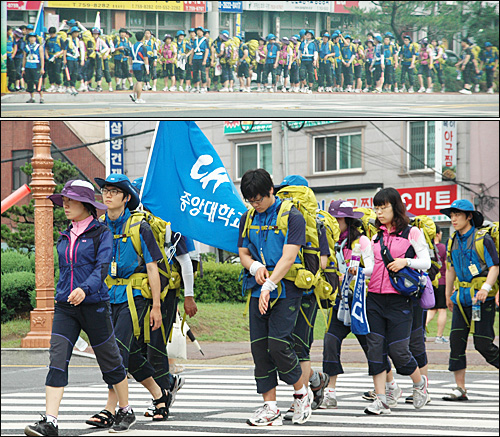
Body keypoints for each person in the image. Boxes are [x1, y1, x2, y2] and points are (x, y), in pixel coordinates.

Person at [24, 180, 135, 436]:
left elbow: (101, 268)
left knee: (110, 361)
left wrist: (84, 289)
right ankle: (50, 422)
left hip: (94, 304)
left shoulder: (101, 233)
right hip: (65, 307)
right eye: (64, 200)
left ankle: (126, 409)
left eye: (70, 200)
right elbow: (65, 271)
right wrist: (63, 293)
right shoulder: (65, 234)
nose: (65, 204)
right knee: (57, 359)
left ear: (85, 204)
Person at [87, 174, 169, 427]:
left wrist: (156, 306)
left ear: (126, 197)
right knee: (130, 354)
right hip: (106, 296)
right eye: (105, 190)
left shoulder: (139, 227)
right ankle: (159, 395)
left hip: (134, 296)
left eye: (114, 191)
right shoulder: (99, 227)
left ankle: (112, 408)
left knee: (117, 351)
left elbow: (153, 268)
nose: (107, 195)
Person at [238, 169, 313, 426]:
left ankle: (302, 394)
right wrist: (255, 268)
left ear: (271, 191)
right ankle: (270, 407)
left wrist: (270, 283)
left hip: (287, 288)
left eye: (258, 199)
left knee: (279, 344)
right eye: (250, 200)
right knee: (259, 347)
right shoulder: (247, 217)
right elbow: (244, 252)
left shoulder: (292, 216)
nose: (255, 205)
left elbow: (289, 256)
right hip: (258, 288)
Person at [321, 201, 396, 409]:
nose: (335, 223)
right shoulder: (331, 241)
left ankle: (390, 386)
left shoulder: (362, 241)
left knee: (372, 347)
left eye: (338, 219)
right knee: (330, 342)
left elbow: (372, 267)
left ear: (348, 220)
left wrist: (357, 272)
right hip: (340, 302)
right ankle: (331, 393)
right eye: (332, 219)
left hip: (361, 303)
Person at [363, 187, 431, 415]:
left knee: (399, 351)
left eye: (384, 207)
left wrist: (405, 262)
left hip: (400, 300)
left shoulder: (412, 233)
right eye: (377, 208)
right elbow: (373, 267)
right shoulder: (375, 236)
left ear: (396, 207)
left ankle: (419, 383)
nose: (379, 212)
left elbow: (426, 263)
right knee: (375, 348)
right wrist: (359, 272)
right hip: (373, 298)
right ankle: (381, 399)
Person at [130, 177, 190, 419]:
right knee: (139, 347)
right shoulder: (130, 224)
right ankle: (165, 386)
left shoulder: (170, 224)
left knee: (155, 343)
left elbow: (186, 261)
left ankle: (162, 393)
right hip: (134, 293)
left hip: (163, 293)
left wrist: (189, 296)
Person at [272, 176, 330, 421]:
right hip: (291, 290)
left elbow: (323, 260)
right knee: (289, 345)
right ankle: (315, 381)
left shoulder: (310, 222)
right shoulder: (303, 220)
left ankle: (301, 400)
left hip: (303, 292)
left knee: (299, 347)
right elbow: (324, 259)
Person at [440, 200, 499, 401]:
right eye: (451, 215)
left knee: (483, 344)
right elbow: (451, 269)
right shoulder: (452, 240)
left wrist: (485, 289)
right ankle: (460, 388)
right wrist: (448, 295)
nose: (453, 219)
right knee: (456, 343)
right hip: (460, 299)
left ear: (469, 217)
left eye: (457, 215)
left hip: (481, 300)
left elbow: (494, 267)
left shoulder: (483, 239)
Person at [426, 225, 449, 343]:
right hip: (442, 281)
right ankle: (439, 336)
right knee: (442, 309)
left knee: (432, 309)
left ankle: (422, 331)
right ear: (438, 234)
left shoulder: (427, 248)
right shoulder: (443, 248)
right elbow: (447, 265)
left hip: (430, 282)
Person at [22, 32, 45, 104]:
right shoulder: (26, 47)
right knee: (29, 82)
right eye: (30, 37)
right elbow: (24, 58)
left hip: (36, 66)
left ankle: (41, 97)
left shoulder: (39, 47)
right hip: (28, 66)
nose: (32, 39)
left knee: (37, 81)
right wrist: (23, 68)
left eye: (33, 37)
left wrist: (42, 68)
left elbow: (42, 58)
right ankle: (32, 97)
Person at [129, 31, 149, 104]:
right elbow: (145, 58)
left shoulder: (132, 46)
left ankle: (133, 92)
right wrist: (147, 68)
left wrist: (130, 67)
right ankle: (138, 98)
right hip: (140, 65)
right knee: (140, 81)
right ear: (143, 38)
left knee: (137, 80)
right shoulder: (143, 47)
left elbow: (130, 58)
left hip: (134, 64)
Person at [62, 26, 82, 96]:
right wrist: (64, 59)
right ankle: (67, 86)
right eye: (75, 33)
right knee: (68, 73)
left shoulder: (77, 40)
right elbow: (64, 50)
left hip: (75, 58)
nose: (77, 34)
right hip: (69, 58)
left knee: (75, 73)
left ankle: (73, 86)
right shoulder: (68, 40)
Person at [45, 27, 64, 93]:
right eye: (50, 34)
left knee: (57, 72)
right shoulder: (48, 39)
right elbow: (46, 48)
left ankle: (59, 85)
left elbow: (63, 49)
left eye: (52, 34)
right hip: (50, 58)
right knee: (50, 72)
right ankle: (52, 85)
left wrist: (58, 54)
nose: (51, 35)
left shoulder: (59, 39)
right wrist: (47, 55)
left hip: (57, 58)